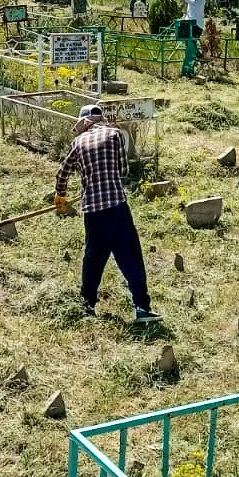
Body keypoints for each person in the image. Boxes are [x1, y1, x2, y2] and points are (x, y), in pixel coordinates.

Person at [55, 104, 161, 323]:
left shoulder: (77, 142)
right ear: (99, 119)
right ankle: (142, 307)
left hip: (93, 212)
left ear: (84, 123)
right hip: (116, 207)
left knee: (93, 258)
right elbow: (123, 170)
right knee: (130, 256)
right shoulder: (114, 134)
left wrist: (61, 195)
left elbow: (62, 172)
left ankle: (87, 305)